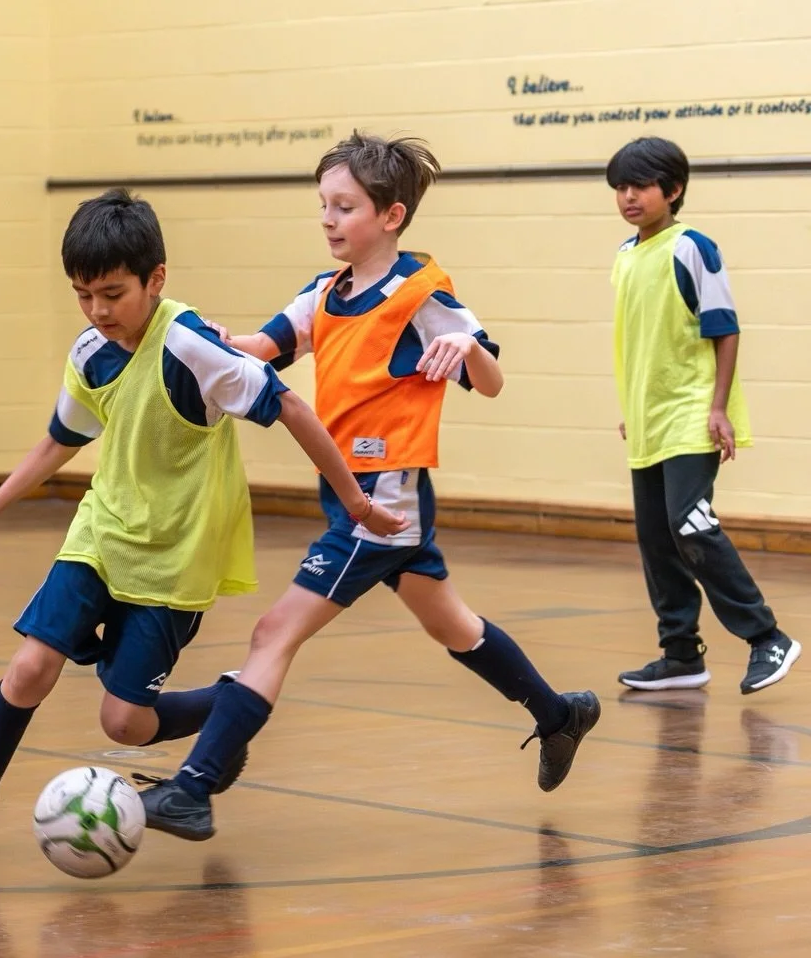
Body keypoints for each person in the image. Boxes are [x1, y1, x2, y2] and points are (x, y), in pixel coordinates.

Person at [137, 132, 600, 842]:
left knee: (273, 631)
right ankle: (558, 712)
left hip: (382, 501)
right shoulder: (323, 293)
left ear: (391, 214)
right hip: (349, 490)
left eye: (344, 206)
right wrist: (199, 336)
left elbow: (492, 380)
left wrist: (466, 348)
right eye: (322, 204)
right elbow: (261, 349)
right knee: (453, 625)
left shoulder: (422, 290)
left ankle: (196, 785)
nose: (327, 218)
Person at [0, 188, 406, 861]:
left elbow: (293, 406)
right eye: (83, 294)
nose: (98, 310)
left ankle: (228, 709)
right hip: (103, 533)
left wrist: (354, 501)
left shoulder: (190, 347)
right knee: (31, 666)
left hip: (176, 555)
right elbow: (61, 438)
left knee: (123, 722)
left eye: (113, 294)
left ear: (156, 279)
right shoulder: (91, 349)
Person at [605, 136, 799, 694]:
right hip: (648, 419)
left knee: (691, 523)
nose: (628, 196)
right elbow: (641, 342)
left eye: (639, 186)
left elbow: (724, 329)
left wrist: (717, 407)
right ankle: (681, 654)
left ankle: (767, 638)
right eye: (620, 187)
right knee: (656, 536)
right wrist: (634, 409)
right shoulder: (624, 256)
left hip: (693, 412)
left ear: (674, 189)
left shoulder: (693, 248)